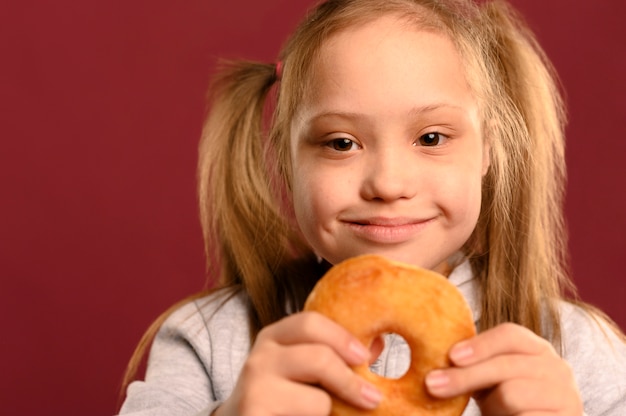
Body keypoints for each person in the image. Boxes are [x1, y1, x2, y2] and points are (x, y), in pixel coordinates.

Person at [118, 0, 626, 415]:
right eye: (341, 143)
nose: (387, 183)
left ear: (489, 149)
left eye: (430, 137)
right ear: (285, 157)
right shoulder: (208, 342)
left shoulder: (577, 350)